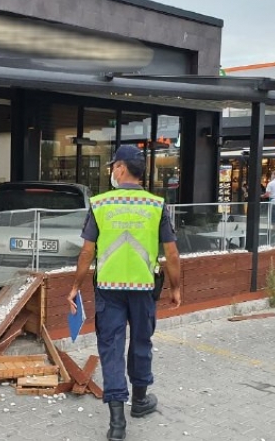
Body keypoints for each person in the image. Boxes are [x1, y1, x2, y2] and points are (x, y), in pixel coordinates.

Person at [67, 145, 182, 441]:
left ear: (120, 168)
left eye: (113, 167)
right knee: (141, 342)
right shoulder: (157, 205)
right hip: (143, 289)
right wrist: (176, 287)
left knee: (111, 348)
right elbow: (170, 252)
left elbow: (87, 251)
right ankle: (140, 401)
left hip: (109, 290)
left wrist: (75, 286)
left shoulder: (101, 204)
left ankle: (117, 423)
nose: (112, 172)